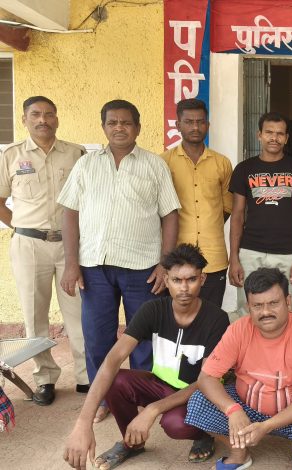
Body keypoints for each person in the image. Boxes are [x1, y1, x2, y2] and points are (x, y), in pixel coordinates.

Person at [58, 99, 181, 422]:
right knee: (97, 335)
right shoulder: (86, 165)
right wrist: (71, 263)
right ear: (103, 127)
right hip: (93, 266)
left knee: (143, 338)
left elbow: (170, 214)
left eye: (126, 122)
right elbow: (69, 212)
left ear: (137, 128)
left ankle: (141, 397)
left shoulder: (154, 165)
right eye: (112, 122)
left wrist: (165, 264)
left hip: (143, 267)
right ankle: (103, 398)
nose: (119, 128)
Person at [62, 244, 230, 470]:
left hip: (197, 394)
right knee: (114, 380)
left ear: (202, 279)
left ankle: (204, 434)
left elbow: (204, 381)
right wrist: (83, 423)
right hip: (160, 384)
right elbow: (112, 360)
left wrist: (152, 409)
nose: (184, 288)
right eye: (176, 280)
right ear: (166, 280)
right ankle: (132, 444)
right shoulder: (153, 310)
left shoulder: (217, 319)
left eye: (191, 279)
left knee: (175, 424)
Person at [185, 268, 292, 470]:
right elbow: (206, 377)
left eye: (273, 303)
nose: (265, 312)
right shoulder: (238, 330)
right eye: (257, 305)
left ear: (288, 302)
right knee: (198, 404)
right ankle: (239, 453)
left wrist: (267, 426)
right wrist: (233, 410)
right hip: (245, 407)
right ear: (248, 307)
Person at [0, 95, 88, 405]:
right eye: (35, 114)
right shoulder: (11, 155)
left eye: (49, 114)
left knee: (78, 312)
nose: (43, 120)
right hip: (29, 245)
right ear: (24, 119)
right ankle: (45, 378)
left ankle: (85, 376)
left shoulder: (76, 154)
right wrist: (21, 227)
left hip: (69, 245)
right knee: (34, 314)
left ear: (57, 118)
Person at [228, 111, 292, 316]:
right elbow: (237, 215)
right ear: (259, 135)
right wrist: (234, 258)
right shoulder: (244, 169)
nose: (274, 138)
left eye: (280, 133)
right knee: (248, 311)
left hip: (288, 252)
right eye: (269, 132)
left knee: (283, 311)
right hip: (250, 251)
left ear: (286, 138)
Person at [161, 98, 233, 307]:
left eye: (201, 122)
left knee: (211, 315)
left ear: (207, 125)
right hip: (175, 257)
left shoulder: (222, 163)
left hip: (214, 257)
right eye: (189, 122)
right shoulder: (163, 163)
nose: (195, 127)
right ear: (178, 125)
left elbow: (227, 207)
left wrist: (209, 223)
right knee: (176, 316)